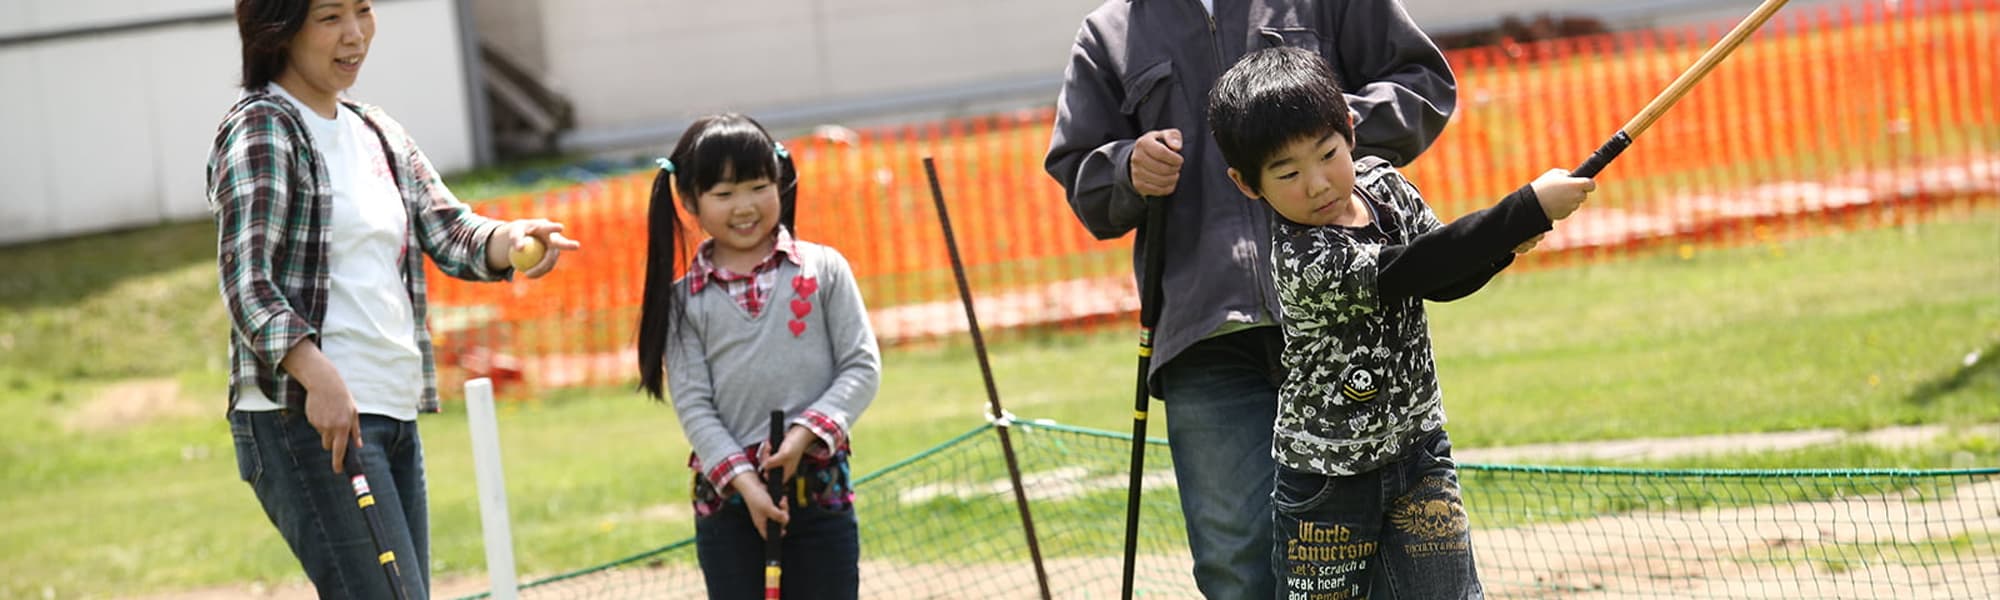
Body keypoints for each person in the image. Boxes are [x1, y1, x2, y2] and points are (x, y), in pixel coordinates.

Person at [1043, 0, 1457, 595]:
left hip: (1344, 322)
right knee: (1236, 560)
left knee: (1395, 538)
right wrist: (1127, 168)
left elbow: (1424, 83)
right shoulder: (1108, 34)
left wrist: (1324, 136)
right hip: (1205, 338)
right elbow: (1079, 172)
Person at [208, 0, 581, 597]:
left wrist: (511, 240)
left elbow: (450, 230)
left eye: (362, 10)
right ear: (279, 29)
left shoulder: (375, 130)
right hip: (309, 416)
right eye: (330, 17)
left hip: (390, 407)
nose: (355, 34)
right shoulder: (263, 129)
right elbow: (246, 282)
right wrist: (318, 377)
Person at [1207, 47, 1594, 598]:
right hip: (1327, 481)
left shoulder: (1384, 187)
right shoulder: (1303, 258)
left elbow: (1445, 277)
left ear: (1350, 130)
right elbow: (1414, 268)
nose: (1317, 184)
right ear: (1248, 184)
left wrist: (1503, 246)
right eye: (1288, 172)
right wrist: (1524, 209)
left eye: (1327, 154)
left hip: (1419, 453)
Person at [636, 114, 880, 600]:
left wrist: (801, 437)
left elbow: (861, 366)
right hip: (729, 503)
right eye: (724, 194)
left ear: (779, 182)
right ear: (690, 202)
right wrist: (747, 484)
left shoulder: (824, 270)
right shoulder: (684, 303)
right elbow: (695, 406)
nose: (744, 206)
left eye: (758, 187)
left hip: (818, 491)